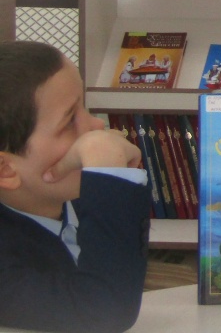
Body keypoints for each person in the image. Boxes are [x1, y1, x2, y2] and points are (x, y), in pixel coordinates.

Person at [0, 41, 150, 332]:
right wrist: (110, 174)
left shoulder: (79, 198)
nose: (96, 126)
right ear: (5, 170)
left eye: (85, 106)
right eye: (70, 121)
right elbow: (105, 312)